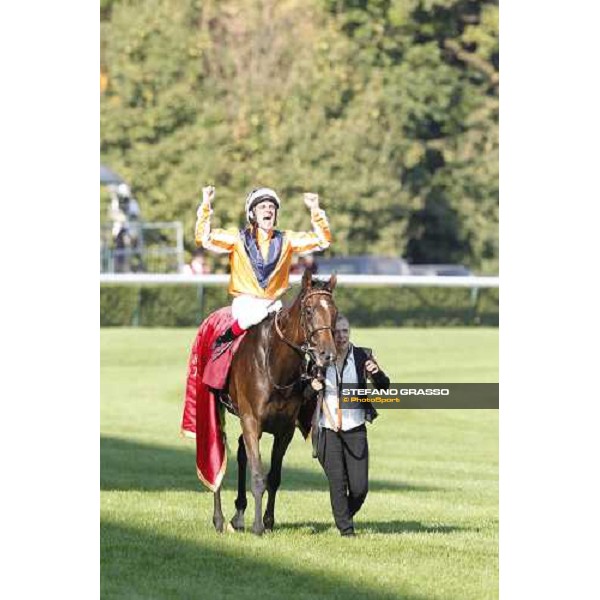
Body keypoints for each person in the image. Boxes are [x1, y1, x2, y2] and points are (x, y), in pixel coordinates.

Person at [194, 185, 331, 347]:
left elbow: (323, 240)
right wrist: (206, 204)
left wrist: (315, 209)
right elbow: (203, 238)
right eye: (263, 207)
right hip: (245, 304)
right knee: (256, 315)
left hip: (274, 305)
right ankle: (225, 341)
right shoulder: (237, 238)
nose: (268, 210)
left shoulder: (287, 239)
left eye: (272, 207)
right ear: (252, 213)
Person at [315, 314, 390, 537]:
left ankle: (343, 515)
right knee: (337, 483)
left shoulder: (362, 356)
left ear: (350, 332)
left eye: (344, 331)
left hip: (355, 427)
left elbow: (385, 387)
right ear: (330, 334)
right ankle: (346, 530)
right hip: (327, 429)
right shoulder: (320, 357)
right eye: (336, 332)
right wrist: (312, 385)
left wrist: (376, 374)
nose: (341, 336)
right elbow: (304, 392)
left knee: (359, 488)